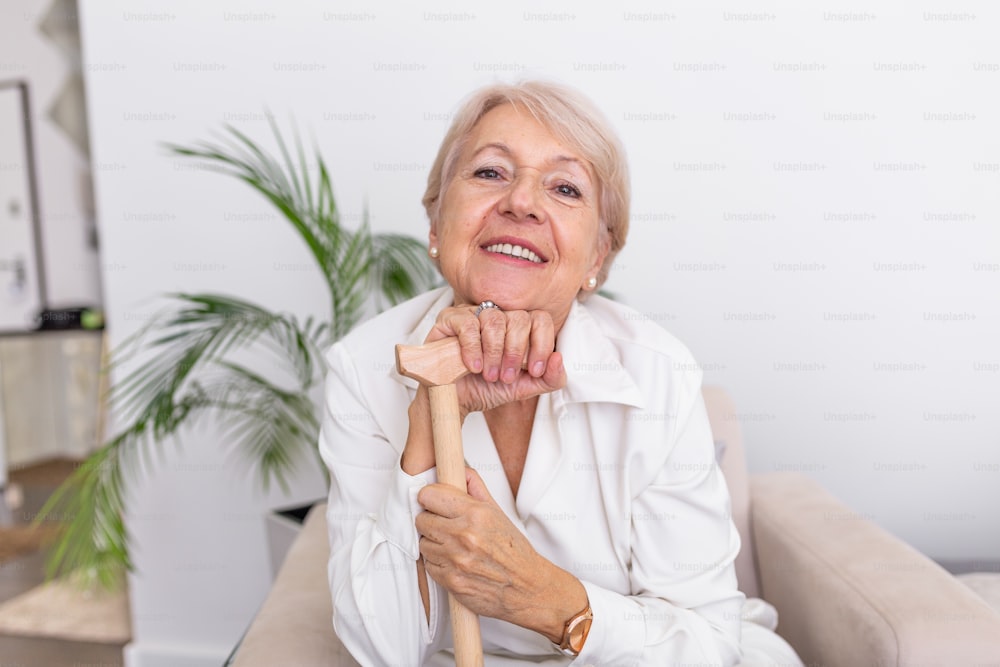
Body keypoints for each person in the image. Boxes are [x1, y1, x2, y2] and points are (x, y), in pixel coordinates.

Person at [319, 80, 802, 666]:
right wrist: (426, 419)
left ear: (597, 257)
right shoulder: (362, 367)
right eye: (491, 173)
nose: (521, 202)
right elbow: (382, 648)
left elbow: (706, 645)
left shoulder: (658, 372)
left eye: (565, 187)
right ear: (435, 222)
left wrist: (545, 599)